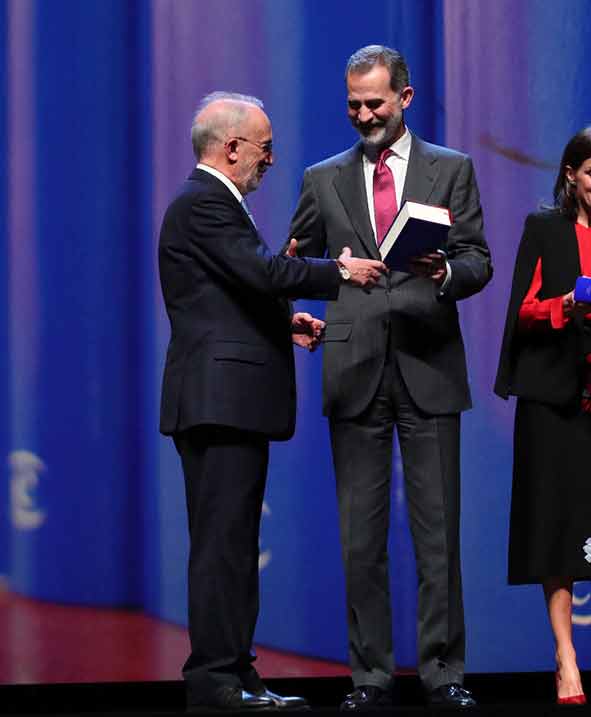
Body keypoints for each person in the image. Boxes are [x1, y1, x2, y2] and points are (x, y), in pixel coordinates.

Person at [286, 45, 491, 710]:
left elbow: (478, 260)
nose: (364, 114)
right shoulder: (322, 178)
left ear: (406, 96)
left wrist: (445, 273)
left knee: (438, 534)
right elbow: (293, 261)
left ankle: (442, 670)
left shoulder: (451, 169)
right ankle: (370, 676)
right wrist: (300, 304)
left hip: (429, 363)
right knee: (361, 538)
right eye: (353, 104)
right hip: (353, 367)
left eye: (375, 101)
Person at [159, 91, 371, 712]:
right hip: (217, 402)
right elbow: (261, 273)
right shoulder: (204, 203)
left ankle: (238, 673)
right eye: (265, 148)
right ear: (231, 148)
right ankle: (216, 679)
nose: (271, 161)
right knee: (223, 545)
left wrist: (285, 326)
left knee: (233, 542)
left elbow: (223, 296)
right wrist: (340, 272)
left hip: (229, 400)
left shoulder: (214, 207)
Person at [494, 126, 591, 705]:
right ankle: (565, 660)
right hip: (550, 402)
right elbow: (523, 310)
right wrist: (567, 305)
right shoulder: (544, 231)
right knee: (555, 532)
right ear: (571, 176)